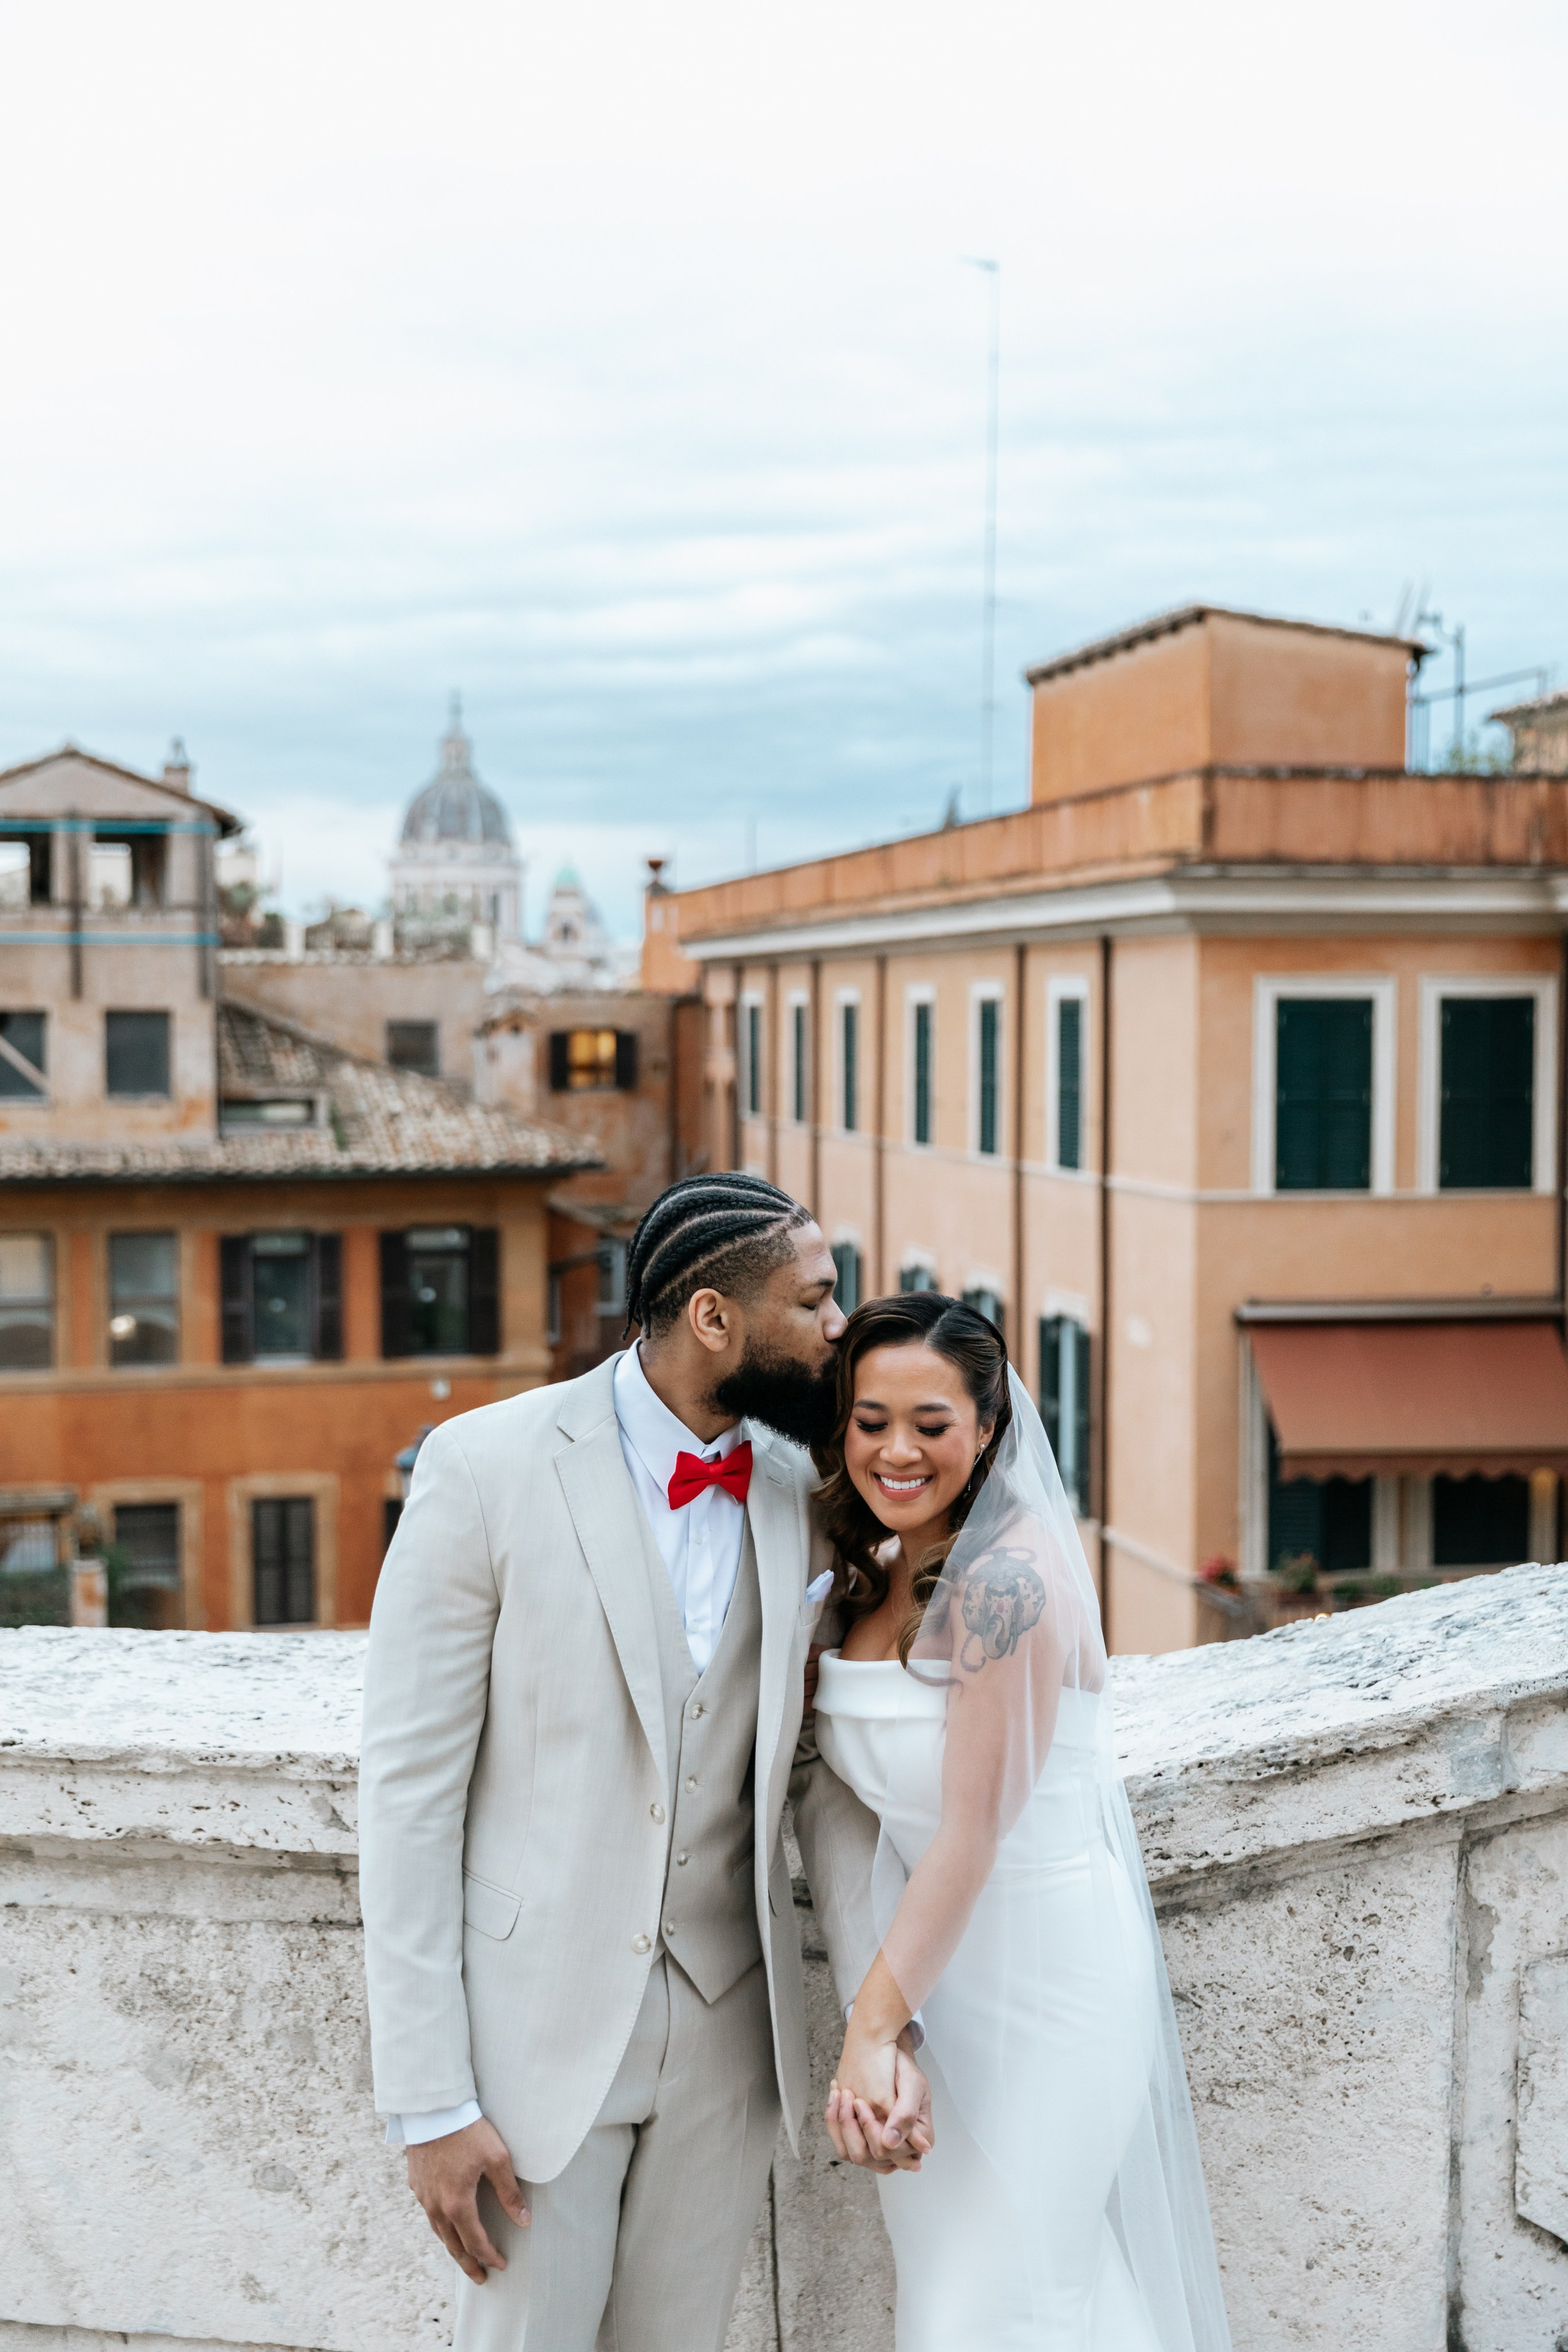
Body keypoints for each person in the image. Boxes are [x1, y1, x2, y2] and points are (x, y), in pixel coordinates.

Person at [359, 1172, 932, 2352]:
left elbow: (819, 1783)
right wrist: (429, 2101)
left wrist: (886, 2019)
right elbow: (408, 1795)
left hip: (729, 2041)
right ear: (715, 1318)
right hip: (531, 2051)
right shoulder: (481, 1468)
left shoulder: (800, 1490)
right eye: (816, 1299)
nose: (840, 1328)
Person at [811, 1291, 1233, 2352]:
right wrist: (899, 2022)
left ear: (990, 1428)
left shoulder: (1010, 1579)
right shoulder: (868, 1568)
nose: (897, 1451)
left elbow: (971, 1831)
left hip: (1051, 1989)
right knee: (994, 2294)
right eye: (871, 1422)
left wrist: (868, 2034)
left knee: (999, 2307)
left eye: (931, 1425)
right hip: (934, 1987)